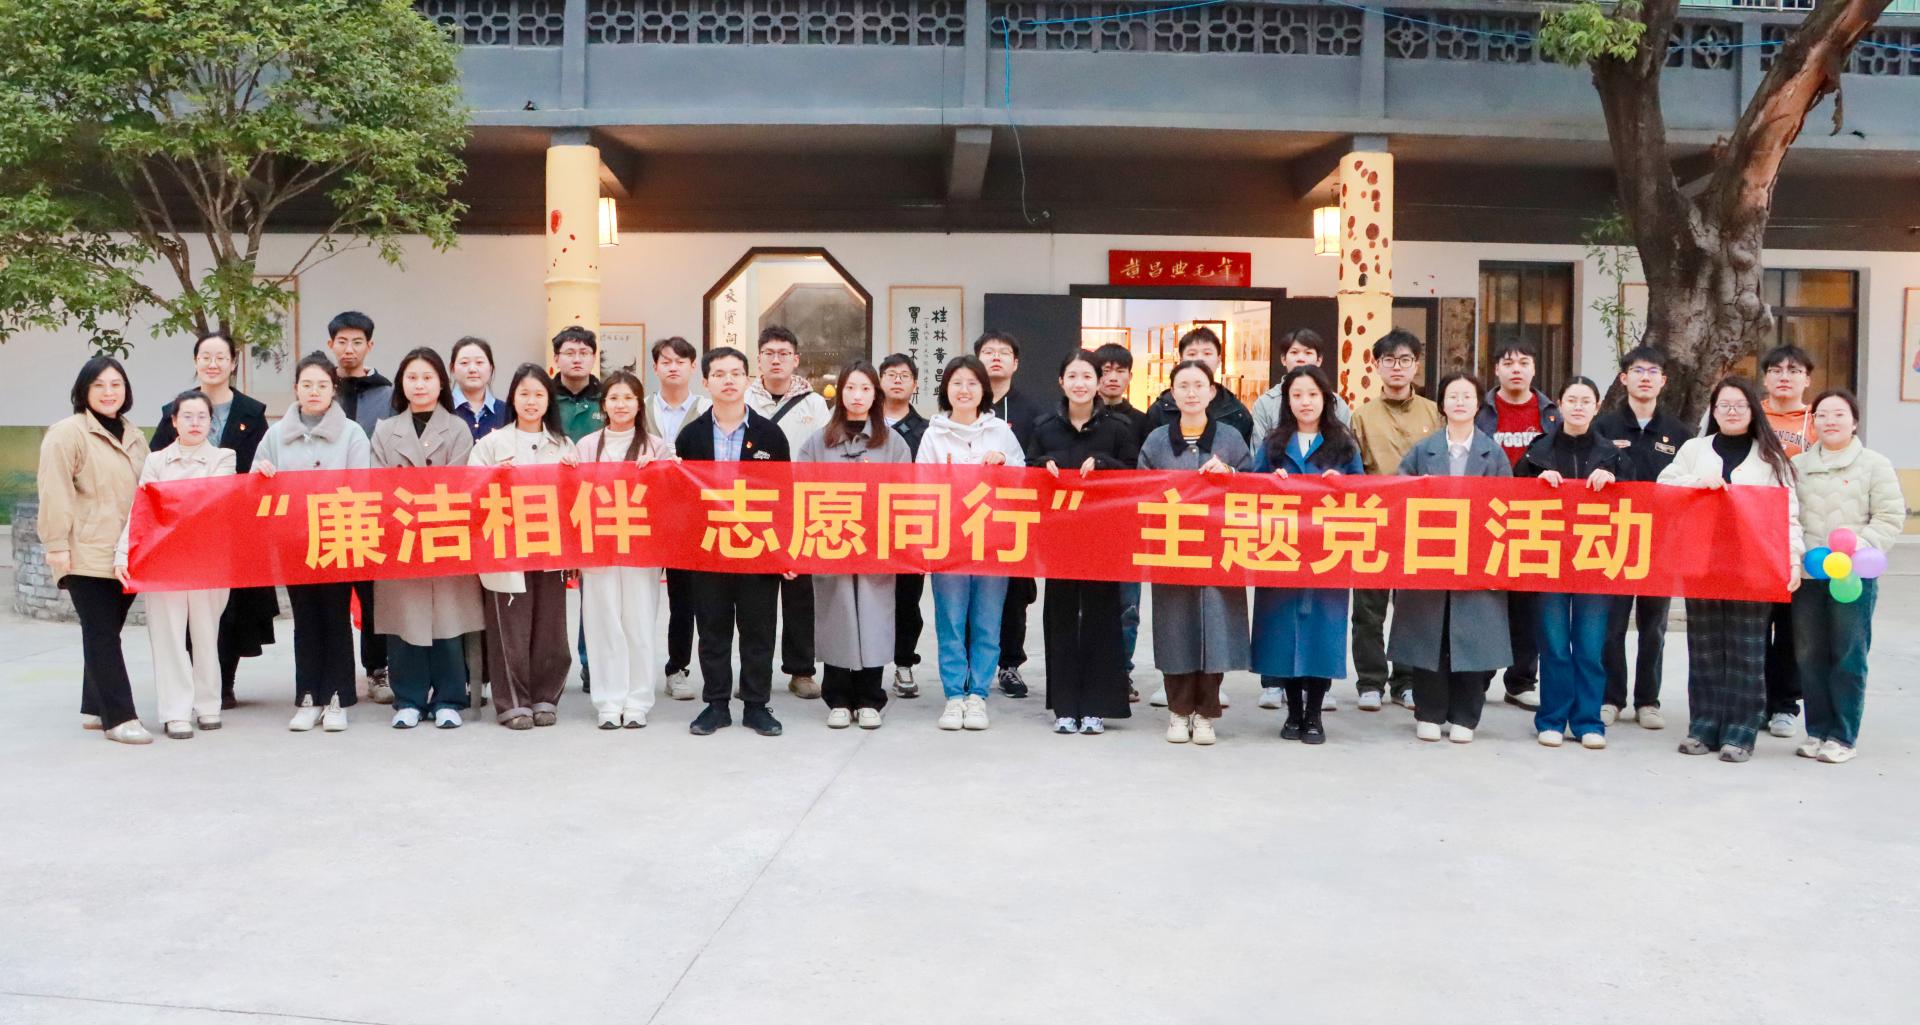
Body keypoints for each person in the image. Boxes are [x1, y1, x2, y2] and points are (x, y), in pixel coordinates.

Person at [1659, 377, 1802, 763]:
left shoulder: (1771, 457)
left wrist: (1793, 559)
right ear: (1714, 410)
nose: (1732, 412)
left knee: (1747, 649)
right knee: (1705, 646)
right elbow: (1663, 488)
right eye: (1724, 405)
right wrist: (1697, 483)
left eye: (1740, 405)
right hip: (1701, 562)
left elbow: (1788, 515)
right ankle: (1703, 725)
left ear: (1753, 410)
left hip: (1752, 564)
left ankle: (1741, 731)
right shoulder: (1695, 449)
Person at [150, 331, 275, 708]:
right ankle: (192, 683)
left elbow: (262, 461)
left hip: (236, 529)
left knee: (232, 609)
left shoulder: (251, 412)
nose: (213, 364)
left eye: (221, 357)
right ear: (195, 361)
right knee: (188, 611)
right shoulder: (173, 411)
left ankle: (224, 681)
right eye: (205, 356)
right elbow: (156, 469)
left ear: (233, 363)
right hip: (183, 532)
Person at [676, 346, 791, 738]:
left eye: (735, 373)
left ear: (748, 380)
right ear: (705, 382)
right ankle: (716, 705)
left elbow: (784, 496)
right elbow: (681, 499)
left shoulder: (770, 434)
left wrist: (783, 550)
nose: (728, 381)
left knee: (758, 629)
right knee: (712, 629)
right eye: (719, 374)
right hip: (709, 548)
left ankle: (757, 705)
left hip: (757, 547)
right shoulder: (691, 436)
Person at [254, 352, 372, 733]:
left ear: (333, 389)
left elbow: (361, 485)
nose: (314, 391)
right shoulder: (275, 434)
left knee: (335, 616)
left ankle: (338, 697)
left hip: (337, 534)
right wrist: (261, 473)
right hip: (294, 540)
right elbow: (258, 481)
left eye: (322, 384)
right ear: (296, 389)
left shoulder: (352, 433)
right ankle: (308, 696)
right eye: (307, 384)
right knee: (304, 619)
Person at [1390, 372, 1512, 743]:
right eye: (1453, 396)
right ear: (1442, 403)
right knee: (1430, 635)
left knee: (1472, 637)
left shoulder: (1493, 453)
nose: (1460, 402)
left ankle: (1466, 716)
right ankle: (1429, 711)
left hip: (1478, 558)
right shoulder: (1423, 450)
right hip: (1431, 555)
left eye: (1467, 396)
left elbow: (1508, 507)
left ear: (1478, 404)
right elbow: (1400, 496)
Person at [369, 348, 484, 730]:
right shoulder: (385, 430)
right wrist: (408, 517)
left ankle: (450, 698)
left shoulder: (458, 428)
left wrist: (430, 515)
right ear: (401, 383)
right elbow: (380, 485)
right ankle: (409, 699)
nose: (419, 385)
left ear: (441, 383)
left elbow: (460, 484)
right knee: (406, 624)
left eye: (427, 378)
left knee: (448, 623)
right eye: (412, 378)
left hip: (445, 536)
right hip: (401, 538)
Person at [1026, 350, 1139, 735]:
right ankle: (1064, 706)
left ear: (1097, 382)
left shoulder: (1118, 428)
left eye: (1087, 376)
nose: (1080, 383)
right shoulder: (1044, 428)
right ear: (1061, 382)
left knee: (1101, 619)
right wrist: (1040, 466)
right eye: (1072, 376)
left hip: (1103, 539)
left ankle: (1096, 706)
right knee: (1059, 619)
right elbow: (1026, 472)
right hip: (1058, 538)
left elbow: (1135, 476)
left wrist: (1106, 465)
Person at [1138, 359, 1251, 746]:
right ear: (1171, 393)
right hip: (1173, 547)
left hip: (1220, 549)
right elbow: (1140, 491)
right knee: (1175, 628)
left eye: (1199, 385)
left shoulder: (1230, 438)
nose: (1191, 393)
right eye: (1183, 386)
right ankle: (1178, 710)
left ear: (1212, 391)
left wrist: (1231, 476)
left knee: (1217, 629)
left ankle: (1206, 713)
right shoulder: (1156, 441)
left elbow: (1254, 486)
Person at [797, 362, 914, 729]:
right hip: (832, 541)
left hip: (876, 546)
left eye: (865, 388)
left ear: (876, 394)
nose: (857, 395)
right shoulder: (817, 441)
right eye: (850, 388)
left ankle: (869, 698)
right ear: (840, 393)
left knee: (874, 618)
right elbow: (801, 491)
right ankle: (837, 697)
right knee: (837, 615)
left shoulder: (893, 443)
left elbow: (905, 495)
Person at [41, 357, 151, 744]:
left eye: (116, 384)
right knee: (102, 633)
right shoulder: (66, 433)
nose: (109, 392)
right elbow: (54, 492)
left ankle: (93, 706)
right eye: (99, 385)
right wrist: (56, 546)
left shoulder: (134, 435)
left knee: (106, 630)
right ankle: (119, 718)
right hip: (85, 553)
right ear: (83, 391)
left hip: (126, 554)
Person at [1250, 365, 1362, 745]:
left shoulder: (1343, 443)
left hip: (1327, 553)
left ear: (1325, 399)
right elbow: (1250, 488)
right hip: (1281, 551)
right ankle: (1293, 713)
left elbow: (1365, 492)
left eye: (1312, 394)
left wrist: (1342, 485)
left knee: (1322, 634)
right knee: (1283, 633)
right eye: (1297, 395)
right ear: (1287, 401)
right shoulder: (1273, 443)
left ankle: (1314, 714)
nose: (1305, 402)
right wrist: (1270, 482)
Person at [1790, 388, 1902, 764]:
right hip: (1809, 575)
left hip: (1854, 575)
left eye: (1839, 414)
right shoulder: (1798, 465)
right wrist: (1798, 556)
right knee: (1809, 653)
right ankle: (1817, 730)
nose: (1830, 421)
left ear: (1854, 422)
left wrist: (1858, 548)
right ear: (1813, 423)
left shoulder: (1875, 465)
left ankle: (1842, 736)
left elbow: (1889, 516)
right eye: (1822, 415)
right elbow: (1788, 516)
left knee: (1848, 654)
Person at [118, 391, 234, 739]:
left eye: (202, 417)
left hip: (208, 561)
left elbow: (212, 501)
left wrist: (169, 504)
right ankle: (175, 712)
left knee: (206, 634)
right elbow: (141, 509)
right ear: (173, 421)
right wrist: (123, 553)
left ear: (211, 422)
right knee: (167, 637)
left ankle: (208, 704)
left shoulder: (224, 457)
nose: (195, 423)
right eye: (187, 416)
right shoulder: (155, 461)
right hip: (163, 561)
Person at [917, 354, 1025, 732]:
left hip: (993, 542)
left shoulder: (1001, 433)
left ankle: (978, 694)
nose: (964, 390)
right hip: (948, 543)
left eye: (972, 383)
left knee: (987, 621)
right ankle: (953, 695)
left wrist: (1005, 463)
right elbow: (921, 488)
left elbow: (1024, 480)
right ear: (946, 389)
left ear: (984, 390)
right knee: (950, 619)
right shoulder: (933, 434)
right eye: (956, 383)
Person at [1516, 377, 1623, 750]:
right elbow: (1513, 493)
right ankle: (1551, 718)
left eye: (1586, 401)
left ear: (1597, 407)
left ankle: (1588, 720)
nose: (1578, 407)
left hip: (1596, 560)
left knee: (1590, 647)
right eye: (1571, 400)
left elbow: (1638, 497)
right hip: (1550, 559)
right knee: (1555, 645)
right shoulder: (1537, 451)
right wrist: (1536, 479)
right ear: (1559, 405)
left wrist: (1615, 479)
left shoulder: (1612, 454)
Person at [469, 364, 577, 730]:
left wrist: (572, 474)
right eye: (524, 394)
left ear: (549, 401)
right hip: (506, 549)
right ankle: (512, 702)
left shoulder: (563, 445)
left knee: (550, 627)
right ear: (512, 398)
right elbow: (469, 496)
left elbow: (578, 500)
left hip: (551, 549)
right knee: (510, 629)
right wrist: (492, 478)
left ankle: (546, 696)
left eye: (539, 394)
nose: (531, 402)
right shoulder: (490, 444)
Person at [1592, 345, 1692, 729]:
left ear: (1663, 380)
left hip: (1660, 542)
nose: (1645, 378)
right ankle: (1611, 698)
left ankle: (1648, 700)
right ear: (1624, 378)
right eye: (1638, 370)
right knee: (1612, 625)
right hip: (1614, 539)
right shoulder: (1604, 428)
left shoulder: (1679, 433)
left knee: (1654, 627)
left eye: (1653, 371)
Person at [1346, 330, 1439, 712]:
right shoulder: (1362, 415)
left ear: (1416, 365)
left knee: (1413, 608)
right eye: (1389, 360)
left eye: (1405, 360)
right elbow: (1353, 468)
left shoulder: (1434, 413)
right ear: (1376, 366)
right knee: (1368, 608)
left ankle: (1407, 681)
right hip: (1375, 521)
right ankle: (1370, 681)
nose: (1397, 368)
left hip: (1421, 522)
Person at [576, 369, 673, 730]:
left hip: (640, 549)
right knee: (603, 623)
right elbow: (574, 493)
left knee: (639, 623)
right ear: (603, 405)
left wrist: (661, 470)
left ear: (639, 404)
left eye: (628, 398)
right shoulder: (587, 446)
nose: (621, 405)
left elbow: (670, 494)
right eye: (614, 398)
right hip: (598, 546)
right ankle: (608, 700)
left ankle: (637, 701)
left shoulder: (655, 446)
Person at [1474, 342, 1561, 712]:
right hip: (1487, 518)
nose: (1516, 369)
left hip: (1534, 520)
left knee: (1528, 607)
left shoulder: (1551, 414)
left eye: (1524, 362)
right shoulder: (1480, 412)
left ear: (1534, 369)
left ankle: (1521, 681)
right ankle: (1478, 678)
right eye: (1508, 363)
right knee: (1485, 603)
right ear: (1496, 369)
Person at [747, 326, 829, 701]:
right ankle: (756, 671)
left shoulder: (814, 404)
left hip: (801, 507)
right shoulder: (743, 398)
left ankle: (801, 670)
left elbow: (824, 454)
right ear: (759, 359)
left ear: (796, 360)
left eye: (783, 353)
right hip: (755, 508)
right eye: (769, 353)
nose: (776, 359)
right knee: (756, 597)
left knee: (800, 595)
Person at [324, 310, 393, 703]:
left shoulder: (387, 394)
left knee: (373, 597)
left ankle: (377, 670)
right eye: (342, 342)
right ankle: (335, 673)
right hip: (326, 508)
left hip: (372, 509)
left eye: (357, 342)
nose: (349, 349)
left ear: (370, 345)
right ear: (330, 345)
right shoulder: (320, 386)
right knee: (330, 595)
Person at [974, 331, 1046, 699]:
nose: (996, 357)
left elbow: (1036, 460)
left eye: (1004, 353)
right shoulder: (966, 403)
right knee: (972, 593)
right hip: (971, 516)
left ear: (1016, 363)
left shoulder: (1033, 411)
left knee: (1015, 595)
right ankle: (973, 664)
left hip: (1016, 517)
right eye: (988, 352)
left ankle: (1009, 665)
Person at [1757, 345, 1816, 739]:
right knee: (1755, 625)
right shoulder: (1751, 415)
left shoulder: (1817, 420)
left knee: (1793, 627)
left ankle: (1785, 705)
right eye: (1776, 370)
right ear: (1765, 378)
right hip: (1756, 535)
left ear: (1806, 379)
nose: (1784, 376)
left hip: (1801, 535)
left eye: (1794, 370)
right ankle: (1756, 700)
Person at [649, 336, 710, 702]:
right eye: (666, 361)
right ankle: (634, 670)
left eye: (681, 361)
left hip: (692, 519)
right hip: (645, 517)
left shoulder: (708, 410)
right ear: (655, 367)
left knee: (685, 598)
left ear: (692, 367)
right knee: (638, 597)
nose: (673, 367)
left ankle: (678, 668)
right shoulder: (639, 408)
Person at [551, 325, 605, 694]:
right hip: (549, 505)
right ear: (556, 358)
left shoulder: (608, 397)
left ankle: (591, 663)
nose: (577, 358)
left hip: (597, 507)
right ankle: (548, 666)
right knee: (548, 593)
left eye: (584, 352)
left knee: (594, 592)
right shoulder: (541, 395)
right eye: (569, 352)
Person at [1093, 342, 1148, 702]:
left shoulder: (1144, 421)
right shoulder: (1080, 418)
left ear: (1130, 376)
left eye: (1120, 371)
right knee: (1089, 607)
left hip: (1129, 525)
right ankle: (1090, 672)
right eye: (1105, 370)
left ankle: (1122, 673)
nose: (1112, 378)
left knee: (1127, 608)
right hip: (1086, 527)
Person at [878, 353, 930, 699]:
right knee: (865, 597)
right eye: (891, 374)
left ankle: (904, 663)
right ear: (880, 381)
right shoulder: (861, 425)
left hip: (910, 525)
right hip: (865, 524)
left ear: (915, 385)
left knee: (907, 600)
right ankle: (863, 665)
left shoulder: (927, 431)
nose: (897, 380)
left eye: (904, 376)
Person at [1144, 326, 1256, 445]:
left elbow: (1242, 454)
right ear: (1181, 360)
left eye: (1207, 353)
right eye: (1192, 354)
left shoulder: (1236, 412)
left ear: (1219, 361)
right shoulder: (1160, 410)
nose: (1200, 359)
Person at [1250, 326, 1352, 441]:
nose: (1300, 358)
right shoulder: (1265, 403)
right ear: (1283, 359)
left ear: (1319, 360)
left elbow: (1347, 446)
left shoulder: (1336, 403)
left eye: (1308, 353)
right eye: (1294, 352)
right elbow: (1258, 449)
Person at [450, 336, 508, 440]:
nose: (472, 369)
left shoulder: (507, 412)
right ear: (452, 369)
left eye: (479, 362)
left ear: (491, 368)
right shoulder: (442, 409)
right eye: (464, 363)